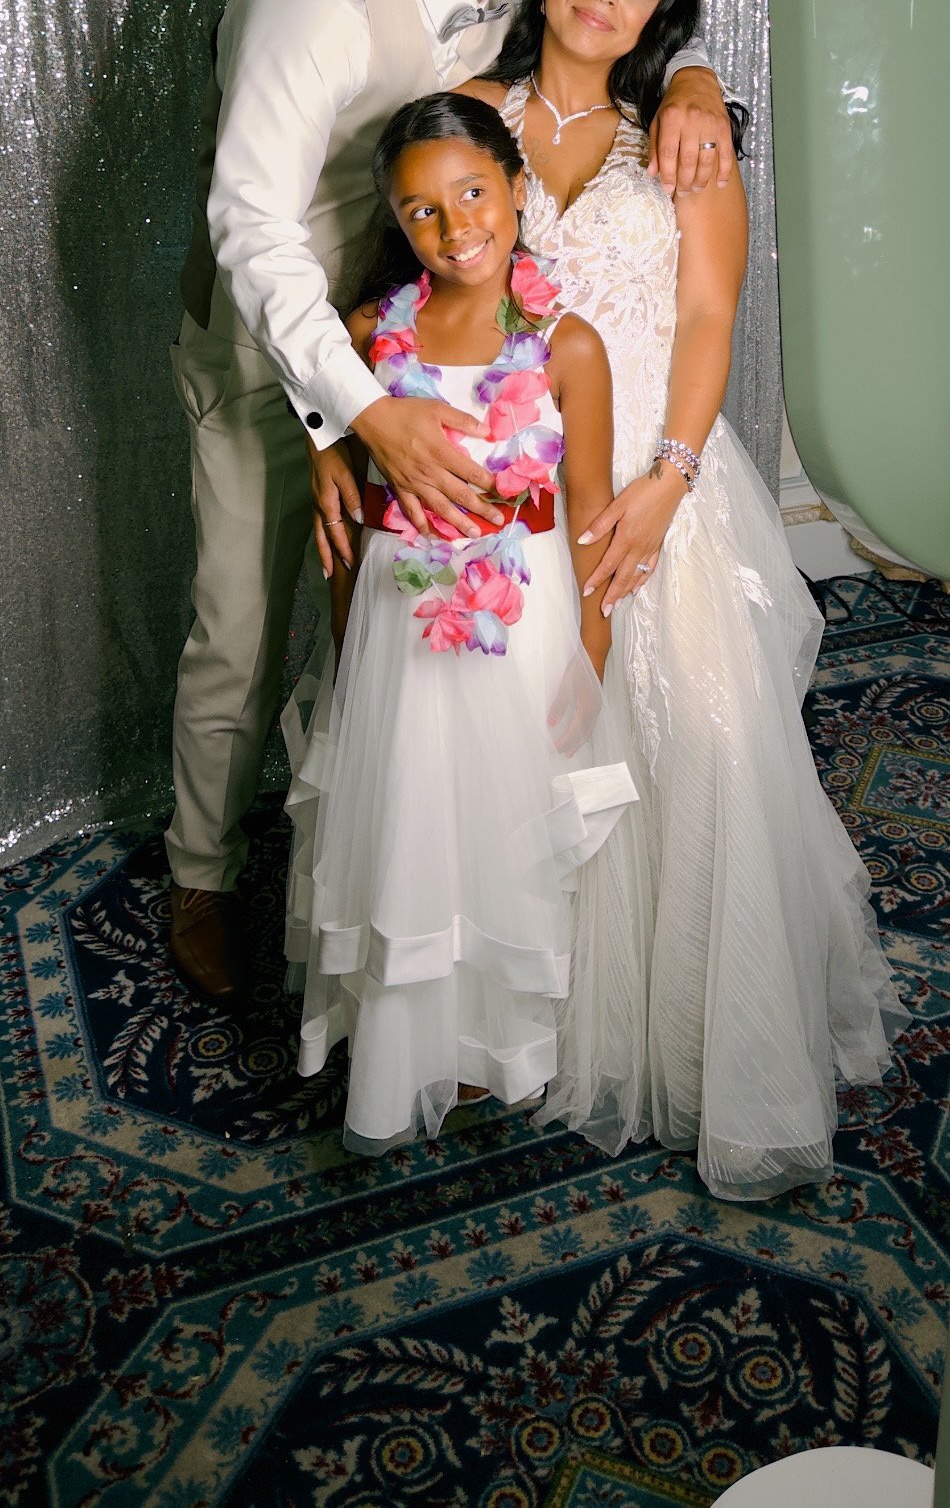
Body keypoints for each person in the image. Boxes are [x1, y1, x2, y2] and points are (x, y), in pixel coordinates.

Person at [165, 0, 735, 1004]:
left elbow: (627, 17)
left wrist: (695, 85)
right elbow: (248, 229)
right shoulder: (314, 1)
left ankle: (422, 867)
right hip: (279, 355)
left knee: (423, 640)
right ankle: (204, 876)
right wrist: (349, 417)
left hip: (434, 359)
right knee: (244, 619)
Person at [459, 0, 907, 1200]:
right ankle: (522, 1021)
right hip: (520, 485)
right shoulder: (470, 118)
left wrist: (664, 478)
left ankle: (720, 1042)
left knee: (700, 740)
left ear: (667, 11)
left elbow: (709, 319)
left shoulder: (683, 141)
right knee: (527, 752)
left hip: (662, 478)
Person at [282, 94, 638, 1151]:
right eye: (421, 211)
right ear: (396, 223)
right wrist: (347, 634)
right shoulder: (367, 336)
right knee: (409, 819)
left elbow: (586, 507)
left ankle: (495, 1038)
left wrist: (595, 645)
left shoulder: (568, 344)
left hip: (523, 611)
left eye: (474, 193)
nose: (454, 225)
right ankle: (406, 1046)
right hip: (400, 616)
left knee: (505, 828)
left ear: (517, 190)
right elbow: (347, 498)